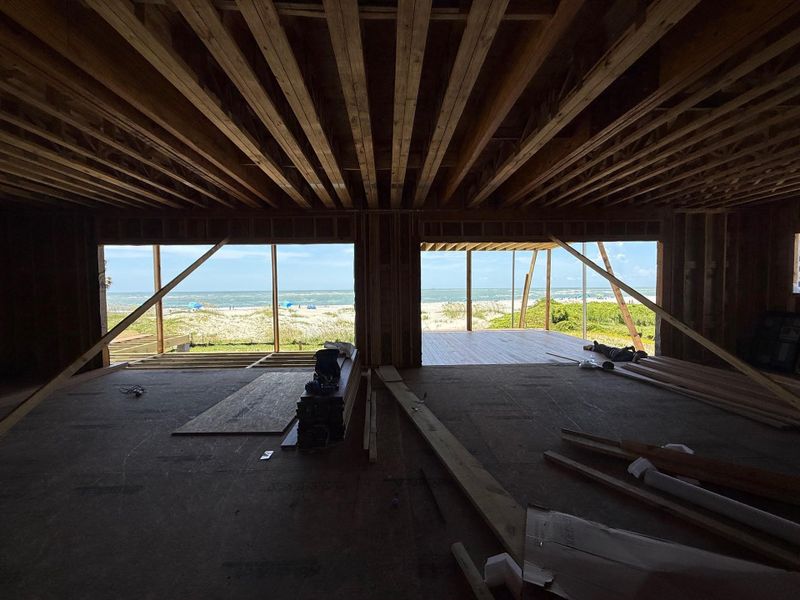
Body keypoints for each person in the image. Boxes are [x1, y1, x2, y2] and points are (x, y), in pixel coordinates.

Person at [583, 340, 648, 363]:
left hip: (610, 353)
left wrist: (625, 349)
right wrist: (631, 349)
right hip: (614, 350)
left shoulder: (628, 358)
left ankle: (592, 347)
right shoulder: (631, 354)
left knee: (602, 346)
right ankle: (595, 347)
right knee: (601, 349)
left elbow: (614, 359)